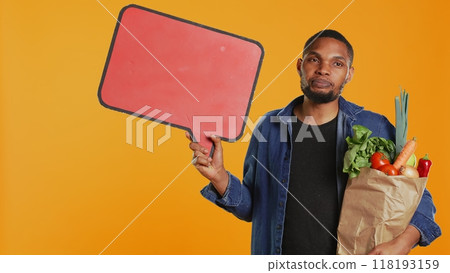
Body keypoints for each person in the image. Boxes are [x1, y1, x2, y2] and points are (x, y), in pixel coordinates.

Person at [186, 30, 441, 255]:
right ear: (300, 65)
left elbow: (420, 198)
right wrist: (219, 176)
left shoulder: (374, 127)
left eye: (337, 63)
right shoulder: (269, 126)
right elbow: (254, 208)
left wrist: (403, 243)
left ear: (349, 74)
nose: (324, 69)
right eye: (314, 59)